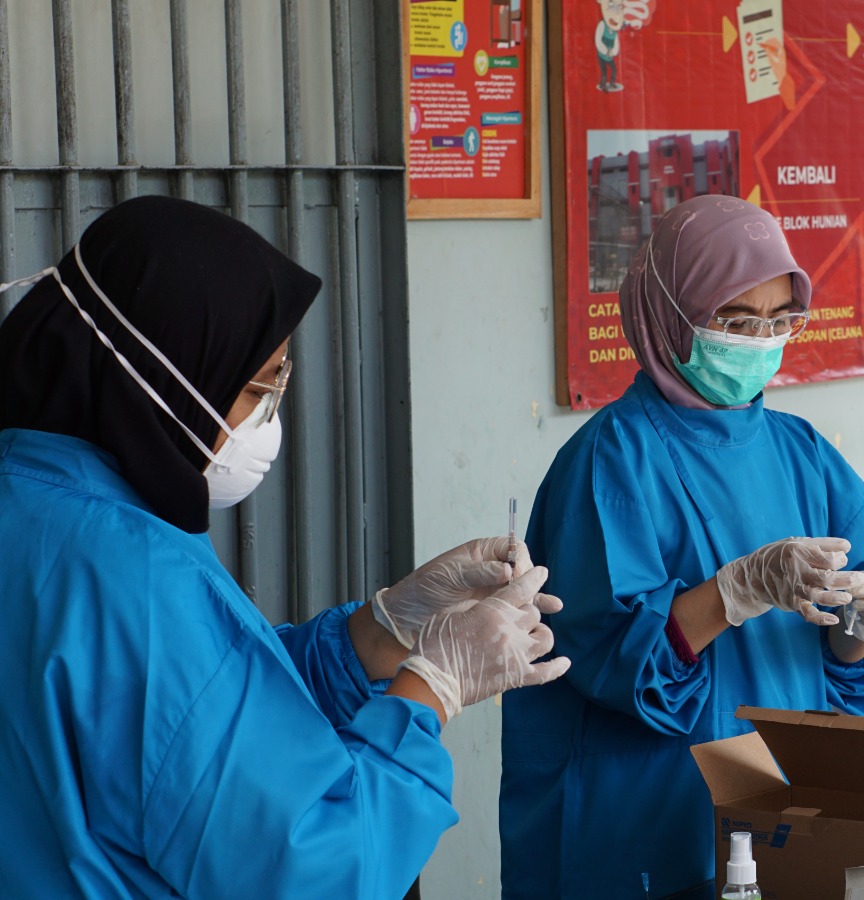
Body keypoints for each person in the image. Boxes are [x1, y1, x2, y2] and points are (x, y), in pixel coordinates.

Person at [0, 196, 571, 898]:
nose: (269, 419)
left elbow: (199, 721)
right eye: (255, 388)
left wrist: (381, 632)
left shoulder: (35, 500)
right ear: (172, 379)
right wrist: (432, 690)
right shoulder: (138, 578)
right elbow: (318, 869)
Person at [499, 195, 864, 898]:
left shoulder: (802, 453)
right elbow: (621, 665)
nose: (760, 340)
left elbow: (851, 677)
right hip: (641, 831)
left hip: (780, 816)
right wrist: (736, 591)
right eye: (735, 320)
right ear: (669, 312)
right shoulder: (610, 462)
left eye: (779, 320)